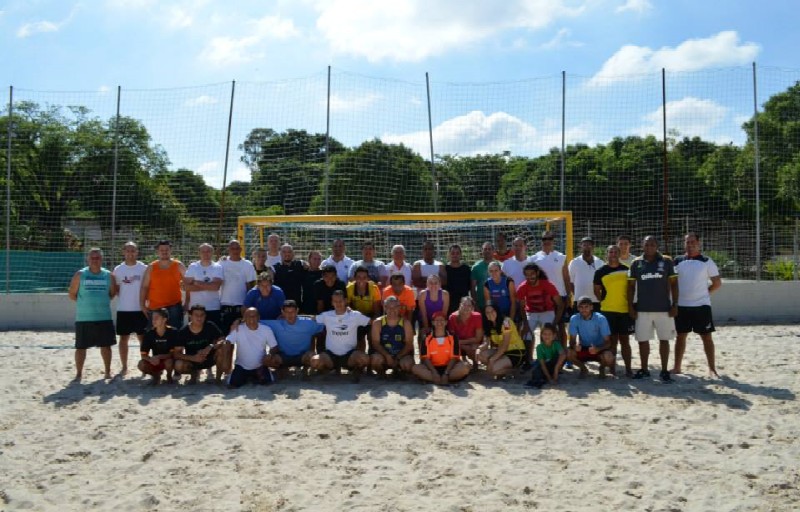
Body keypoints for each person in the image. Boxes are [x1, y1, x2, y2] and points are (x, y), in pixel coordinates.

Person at [627, 236, 679, 382]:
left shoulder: (667, 261)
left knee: (664, 339)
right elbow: (630, 287)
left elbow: (674, 284)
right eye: (646, 244)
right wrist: (630, 306)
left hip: (664, 309)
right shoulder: (636, 263)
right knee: (642, 340)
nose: (649, 247)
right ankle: (644, 369)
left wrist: (675, 305)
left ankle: (664, 371)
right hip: (642, 309)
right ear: (642, 246)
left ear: (657, 246)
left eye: (652, 244)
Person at [673, 232, 722, 377]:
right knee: (680, 336)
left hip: (701, 306)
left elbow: (717, 283)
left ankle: (712, 369)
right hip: (681, 305)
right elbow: (672, 282)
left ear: (699, 243)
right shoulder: (677, 261)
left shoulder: (707, 261)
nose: (690, 245)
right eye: (687, 242)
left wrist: (705, 293)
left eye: (692, 242)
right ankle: (677, 367)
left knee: (706, 337)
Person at [68, 248, 118, 381]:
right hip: (84, 318)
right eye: (92, 258)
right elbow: (72, 294)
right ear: (88, 260)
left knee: (106, 347)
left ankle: (107, 372)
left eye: (97, 258)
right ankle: (79, 373)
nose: (95, 260)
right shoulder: (80, 275)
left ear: (102, 259)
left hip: (104, 317)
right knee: (80, 348)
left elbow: (112, 294)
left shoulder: (109, 276)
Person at [593, 245, 634, 377]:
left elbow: (630, 290)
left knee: (625, 341)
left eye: (616, 252)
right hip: (608, 310)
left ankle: (628, 369)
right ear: (607, 254)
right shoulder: (600, 271)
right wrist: (604, 301)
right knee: (611, 342)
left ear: (619, 254)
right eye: (611, 251)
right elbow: (596, 290)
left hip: (624, 310)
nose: (613, 254)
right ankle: (612, 369)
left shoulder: (626, 270)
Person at [312, 291, 371, 380]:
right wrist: (286, 317)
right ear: (332, 303)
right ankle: (328, 369)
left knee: (365, 359)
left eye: (340, 301)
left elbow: (372, 322)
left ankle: (354, 369)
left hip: (349, 355)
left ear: (346, 301)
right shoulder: (326, 315)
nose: (338, 303)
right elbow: (312, 319)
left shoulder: (355, 315)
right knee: (314, 361)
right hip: (330, 355)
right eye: (335, 301)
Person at [516, 263, 564, 364]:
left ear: (537, 273)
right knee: (525, 334)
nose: (530, 277)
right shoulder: (522, 287)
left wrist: (554, 323)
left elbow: (560, 304)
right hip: (531, 312)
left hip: (547, 312)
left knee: (550, 334)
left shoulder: (547, 285)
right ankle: (527, 360)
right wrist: (525, 324)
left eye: (532, 274)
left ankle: (551, 360)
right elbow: (521, 307)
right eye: (527, 275)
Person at [113, 241, 147, 376]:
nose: (130, 253)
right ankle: (124, 366)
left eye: (133, 250)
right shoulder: (118, 270)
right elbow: (116, 289)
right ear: (123, 252)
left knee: (142, 339)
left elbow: (147, 287)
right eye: (128, 250)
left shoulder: (143, 268)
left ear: (137, 252)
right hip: (124, 310)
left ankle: (145, 364)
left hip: (140, 309)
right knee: (123, 339)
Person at [530, 230, 571, 342]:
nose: (547, 241)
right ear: (541, 241)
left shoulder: (561, 257)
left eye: (549, 239)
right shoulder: (534, 258)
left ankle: (563, 353)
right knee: (545, 328)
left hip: (560, 296)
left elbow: (566, 278)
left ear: (553, 241)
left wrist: (568, 295)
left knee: (561, 327)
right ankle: (546, 355)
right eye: (544, 239)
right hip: (543, 298)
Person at [173, 305, 231, 384]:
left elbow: (222, 339)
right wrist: (193, 358)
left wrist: (210, 347)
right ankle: (194, 374)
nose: (199, 318)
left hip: (209, 358)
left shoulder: (210, 326)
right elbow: (176, 354)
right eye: (196, 315)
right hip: (192, 361)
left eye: (202, 315)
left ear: (205, 316)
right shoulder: (183, 332)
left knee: (222, 348)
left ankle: (218, 379)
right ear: (190, 316)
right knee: (178, 365)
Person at [262, 300, 324, 373]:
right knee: (266, 361)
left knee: (316, 359)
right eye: (287, 312)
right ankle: (281, 368)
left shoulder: (308, 323)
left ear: (297, 311)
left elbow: (327, 325)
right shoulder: (276, 324)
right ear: (282, 312)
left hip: (303, 356)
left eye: (292, 312)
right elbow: (256, 322)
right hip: (283, 356)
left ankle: (306, 368)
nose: (290, 315)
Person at [412, 311, 470, 385]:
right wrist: (434, 371)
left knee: (465, 367)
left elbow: (454, 358)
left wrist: (446, 373)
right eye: (437, 320)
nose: (439, 322)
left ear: (446, 322)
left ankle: (440, 379)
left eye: (442, 320)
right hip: (432, 368)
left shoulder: (453, 337)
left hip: (450, 368)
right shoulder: (426, 338)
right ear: (433, 323)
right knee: (415, 368)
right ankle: (441, 379)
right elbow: (425, 358)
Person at [225, 307, 278, 388]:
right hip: (242, 366)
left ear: (259, 317)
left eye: (254, 316)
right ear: (244, 318)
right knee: (233, 384)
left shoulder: (266, 329)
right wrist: (226, 359)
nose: (252, 318)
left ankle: (255, 377)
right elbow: (228, 341)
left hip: (260, 366)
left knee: (268, 382)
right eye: (249, 316)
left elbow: (274, 346)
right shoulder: (238, 329)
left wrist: (270, 355)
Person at [140, 239, 186, 330]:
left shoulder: (179, 265)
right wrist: (142, 305)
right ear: (157, 251)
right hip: (155, 307)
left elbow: (189, 284)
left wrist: (187, 303)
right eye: (162, 250)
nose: (164, 252)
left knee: (175, 335)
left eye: (167, 249)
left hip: (174, 307)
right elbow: (144, 287)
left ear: (170, 250)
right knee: (153, 335)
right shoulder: (151, 267)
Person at [567, 297, 615, 378]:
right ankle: (583, 368)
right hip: (583, 347)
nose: (584, 310)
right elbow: (572, 341)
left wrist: (598, 349)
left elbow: (608, 342)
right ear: (578, 308)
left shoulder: (601, 319)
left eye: (586, 307)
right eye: (581, 307)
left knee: (609, 356)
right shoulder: (574, 319)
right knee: (568, 353)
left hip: (599, 348)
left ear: (591, 307)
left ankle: (602, 368)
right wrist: (575, 346)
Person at [478, 302, 527, 378]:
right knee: (481, 355)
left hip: (515, 351)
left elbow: (505, 345)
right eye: (487, 313)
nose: (490, 314)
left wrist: (492, 359)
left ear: (497, 311)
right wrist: (478, 349)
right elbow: (486, 342)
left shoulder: (506, 322)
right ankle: (501, 366)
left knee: (494, 370)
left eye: (492, 311)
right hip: (502, 352)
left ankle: (514, 371)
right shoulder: (489, 324)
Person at [369, 296, 415, 377]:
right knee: (375, 360)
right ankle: (382, 373)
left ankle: (398, 371)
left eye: (395, 307)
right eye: (389, 307)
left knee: (407, 364)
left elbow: (409, 344)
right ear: (384, 308)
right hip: (384, 355)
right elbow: (375, 343)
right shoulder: (377, 323)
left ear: (399, 308)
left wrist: (397, 357)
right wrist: (387, 355)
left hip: (401, 355)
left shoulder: (406, 323)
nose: (392, 310)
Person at [219, 239, 257, 335]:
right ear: (228, 249)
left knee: (242, 335)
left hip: (241, 306)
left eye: (237, 248)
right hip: (225, 304)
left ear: (241, 249)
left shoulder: (247, 265)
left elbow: (251, 286)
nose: (235, 251)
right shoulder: (221, 263)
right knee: (225, 336)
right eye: (232, 248)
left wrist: (249, 304)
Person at [183, 243, 224, 328]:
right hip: (194, 308)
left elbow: (216, 287)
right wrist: (208, 286)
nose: (206, 253)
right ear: (199, 253)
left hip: (213, 307)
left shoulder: (218, 267)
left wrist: (195, 282)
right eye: (203, 251)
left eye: (208, 251)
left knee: (213, 336)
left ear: (212, 253)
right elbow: (186, 287)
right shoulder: (193, 266)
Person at [137, 308, 177, 385]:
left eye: (156, 318)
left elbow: (173, 354)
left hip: (168, 360)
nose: (153, 320)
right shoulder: (149, 333)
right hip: (155, 361)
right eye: (152, 318)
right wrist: (150, 359)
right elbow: (143, 354)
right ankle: (156, 376)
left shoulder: (173, 332)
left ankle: (169, 376)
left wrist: (159, 356)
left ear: (164, 319)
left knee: (169, 361)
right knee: (141, 364)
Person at [447, 296, 484, 370]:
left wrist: (462, 342)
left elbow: (478, 338)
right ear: (460, 305)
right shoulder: (452, 317)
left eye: (469, 305)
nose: (466, 307)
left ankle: (475, 363)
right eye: (464, 305)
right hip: (458, 343)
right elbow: (452, 338)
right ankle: (461, 361)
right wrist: (464, 346)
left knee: (473, 348)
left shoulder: (477, 316)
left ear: (472, 307)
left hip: (471, 342)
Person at [568, 236, 604, 311]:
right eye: (584, 245)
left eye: (589, 245)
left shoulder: (600, 262)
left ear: (593, 247)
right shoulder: (574, 262)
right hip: (579, 301)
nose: (587, 247)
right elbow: (570, 282)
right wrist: (577, 294)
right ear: (581, 247)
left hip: (595, 301)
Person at [526, 323, 566, 388]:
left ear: (554, 336)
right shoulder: (539, 347)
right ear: (541, 335)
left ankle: (554, 373)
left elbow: (563, 355)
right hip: (545, 366)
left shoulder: (556, 344)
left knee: (560, 355)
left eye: (549, 334)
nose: (547, 336)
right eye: (544, 334)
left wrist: (556, 369)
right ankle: (546, 378)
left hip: (554, 365)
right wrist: (550, 378)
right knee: (536, 371)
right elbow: (542, 364)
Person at [417, 274, 450, 349]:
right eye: (430, 283)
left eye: (436, 283)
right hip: (426, 318)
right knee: (423, 334)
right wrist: (426, 327)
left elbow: (444, 314)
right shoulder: (423, 294)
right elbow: (423, 314)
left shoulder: (445, 294)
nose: (433, 285)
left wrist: (438, 327)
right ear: (427, 284)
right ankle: (422, 354)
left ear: (440, 284)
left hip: (439, 319)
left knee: (441, 333)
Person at [442, 244, 471, 315]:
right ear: (449, 254)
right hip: (448, 304)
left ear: (461, 255)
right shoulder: (444, 269)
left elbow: (470, 286)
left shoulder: (466, 269)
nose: (455, 255)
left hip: (463, 304)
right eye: (453, 253)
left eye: (457, 253)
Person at [471, 241, 495, 311]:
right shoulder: (476, 267)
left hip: (497, 304)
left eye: (489, 249)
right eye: (485, 249)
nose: (487, 251)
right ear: (482, 251)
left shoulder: (500, 265)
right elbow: (472, 288)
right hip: (481, 305)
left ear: (493, 251)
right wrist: (475, 305)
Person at [301, 251, 324, 315]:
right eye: (314, 259)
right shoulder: (303, 272)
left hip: (321, 308)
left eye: (319, 259)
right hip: (306, 307)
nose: (317, 261)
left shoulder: (324, 274)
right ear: (309, 259)